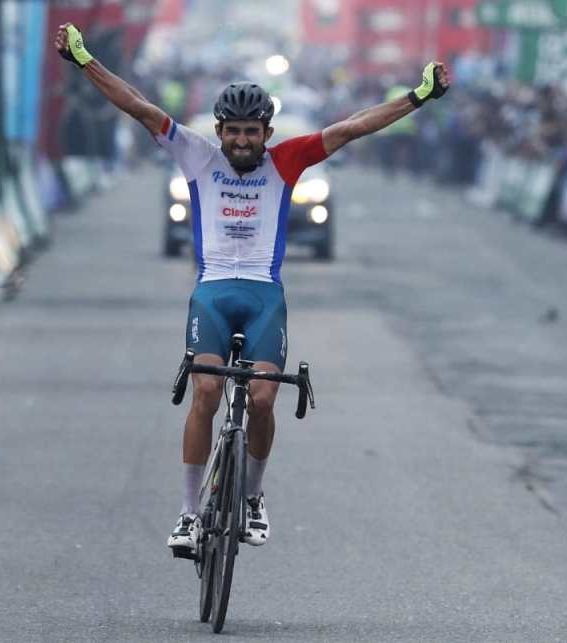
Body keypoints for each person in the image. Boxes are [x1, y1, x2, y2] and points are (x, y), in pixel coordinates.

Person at [55, 23, 450, 555]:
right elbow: (136, 104)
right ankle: (188, 513)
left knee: (263, 398)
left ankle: (254, 496)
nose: (242, 141)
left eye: (252, 131)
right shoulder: (196, 156)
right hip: (213, 294)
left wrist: (420, 95)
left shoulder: (287, 161)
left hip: (264, 296)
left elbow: (354, 127)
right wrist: (84, 60)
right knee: (206, 391)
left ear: (268, 132)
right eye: (234, 131)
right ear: (219, 130)